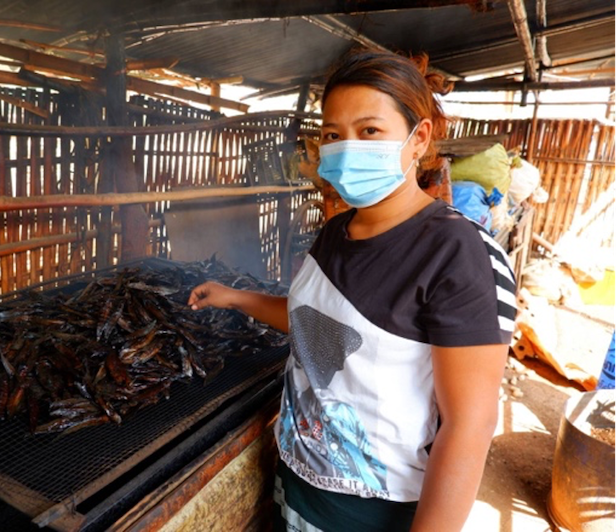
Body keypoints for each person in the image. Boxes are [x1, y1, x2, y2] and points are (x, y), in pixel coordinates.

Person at [188, 49, 516, 532]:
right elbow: (318, 325)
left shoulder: (458, 254)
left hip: (375, 511)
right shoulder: (334, 235)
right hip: (296, 484)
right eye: (331, 135)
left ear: (418, 137)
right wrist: (236, 297)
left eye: (369, 131)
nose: (346, 148)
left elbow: (469, 427)